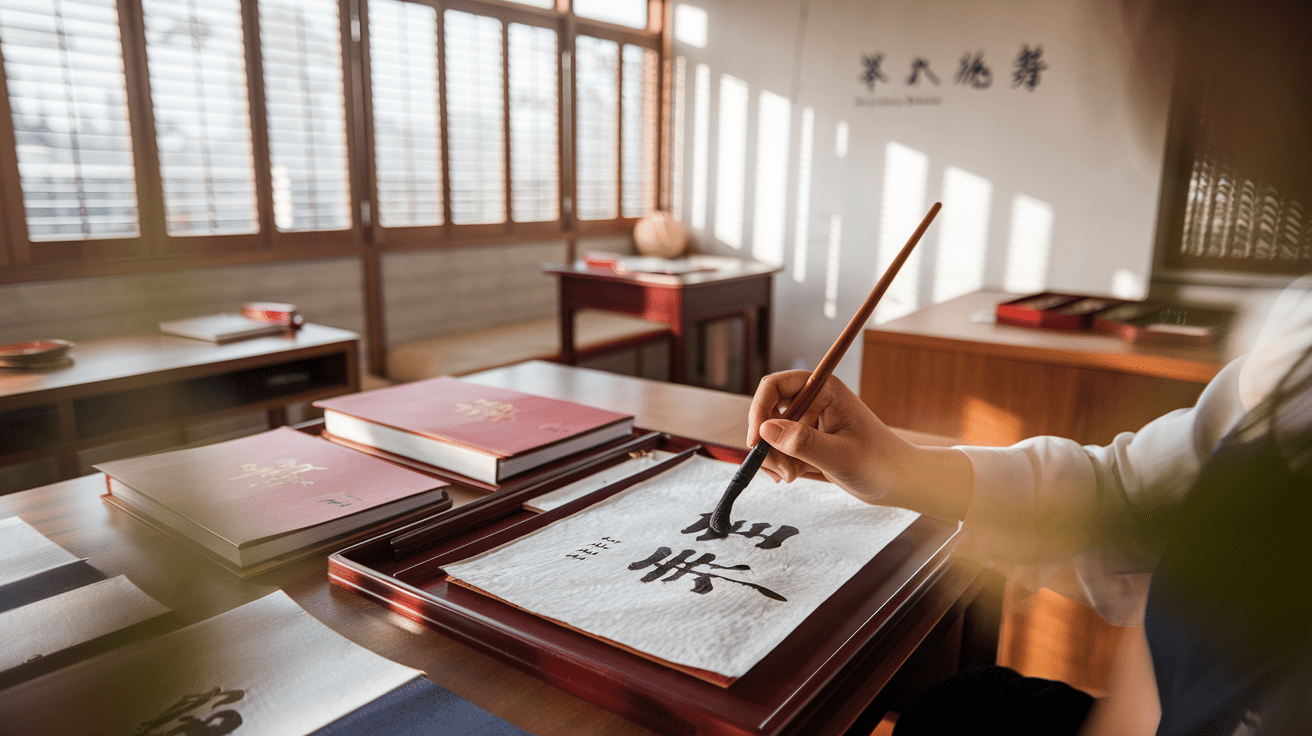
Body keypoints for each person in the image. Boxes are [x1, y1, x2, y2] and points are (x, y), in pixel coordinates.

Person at [747, 278, 1312, 736]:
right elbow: (1129, 494)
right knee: (959, 713)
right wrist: (901, 470)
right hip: (1172, 702)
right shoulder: (1299, 341)